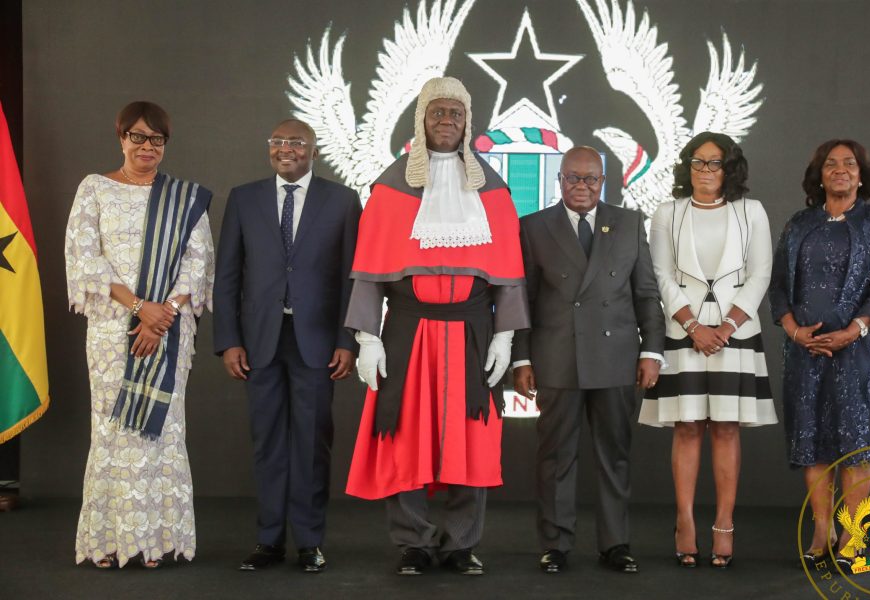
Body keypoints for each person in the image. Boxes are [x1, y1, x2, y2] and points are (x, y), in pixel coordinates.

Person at [344, 76, 529, 576]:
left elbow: (509, 273)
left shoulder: (491, 188)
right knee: (404, 435)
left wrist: (507, 335)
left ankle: (461, 543)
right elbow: (368, 270)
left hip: (472, 334)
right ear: (421, 119)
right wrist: (367, 338)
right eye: (437, 112)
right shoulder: (390, 185)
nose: (446, 121)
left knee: (474, 438)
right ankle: (414, 543)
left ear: (468, 122)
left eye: (456, 113)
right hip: (408, 332)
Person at [66, 101, 214, 568]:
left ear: (165, 145)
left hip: (169, 333)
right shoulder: (95, 189)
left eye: (157, 139)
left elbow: (199, 262)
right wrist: (138, 308)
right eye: (138, 137)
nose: (147, 147)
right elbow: (87, 259)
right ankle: (110, 540)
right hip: (114, 330)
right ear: (121, 137)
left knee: (162, 432)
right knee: (113, 430)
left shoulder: (183, 198)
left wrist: (164, 314)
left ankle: (157, 541)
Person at [212, 118, 361, 573]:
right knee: (268, 444)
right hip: (259, 343)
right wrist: (229, 341)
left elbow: (353, 278)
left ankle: (310, 542)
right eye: (277, 141)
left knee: (313, 445)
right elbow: (228, 278)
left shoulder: (342, 200)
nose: (286, 149)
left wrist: (346, 340)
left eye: (296, 142)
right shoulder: (244, 198)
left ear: (313, 150)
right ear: (269, 149)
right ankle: (269, 540)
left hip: (317, 343)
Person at [512, 146, 666, 574]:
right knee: (555, 456)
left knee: (614, 454)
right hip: (556, 357)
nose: (581, 186)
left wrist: (652, 349)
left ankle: (615, 543)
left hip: (616, 357)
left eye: (590, 179)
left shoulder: (630, 223)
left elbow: (646, 293)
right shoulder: (534, 227)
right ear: (558, 181)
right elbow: (522, 301)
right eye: (573, 178)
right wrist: (520, 359)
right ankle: (555, 544)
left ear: (604, 182)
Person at [638, 131, 777, 569]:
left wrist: (728, 326)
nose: (705, 171)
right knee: (687, 427)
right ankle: (684, 522)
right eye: (698, 163)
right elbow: (660, 275)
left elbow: (760, 273)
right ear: (687, 167)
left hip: (736, 333)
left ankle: (723, 524)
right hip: (685, 333)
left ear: (729, 168)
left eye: (714, 163)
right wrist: (694, 325)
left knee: (726, 428)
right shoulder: (667, 212)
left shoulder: (750, 211)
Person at [769, 139, 870, 572]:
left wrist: (853, 331)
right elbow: (779, 287)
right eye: (831, 164)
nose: (840, 170)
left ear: (861, 175)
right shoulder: (798, 224)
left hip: (861, 353)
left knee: (857, 446)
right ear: (819, 175)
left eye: (849, 164)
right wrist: (793, 331)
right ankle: (822, 532)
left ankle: (853, 534)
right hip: (806, 354)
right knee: (815, 445)